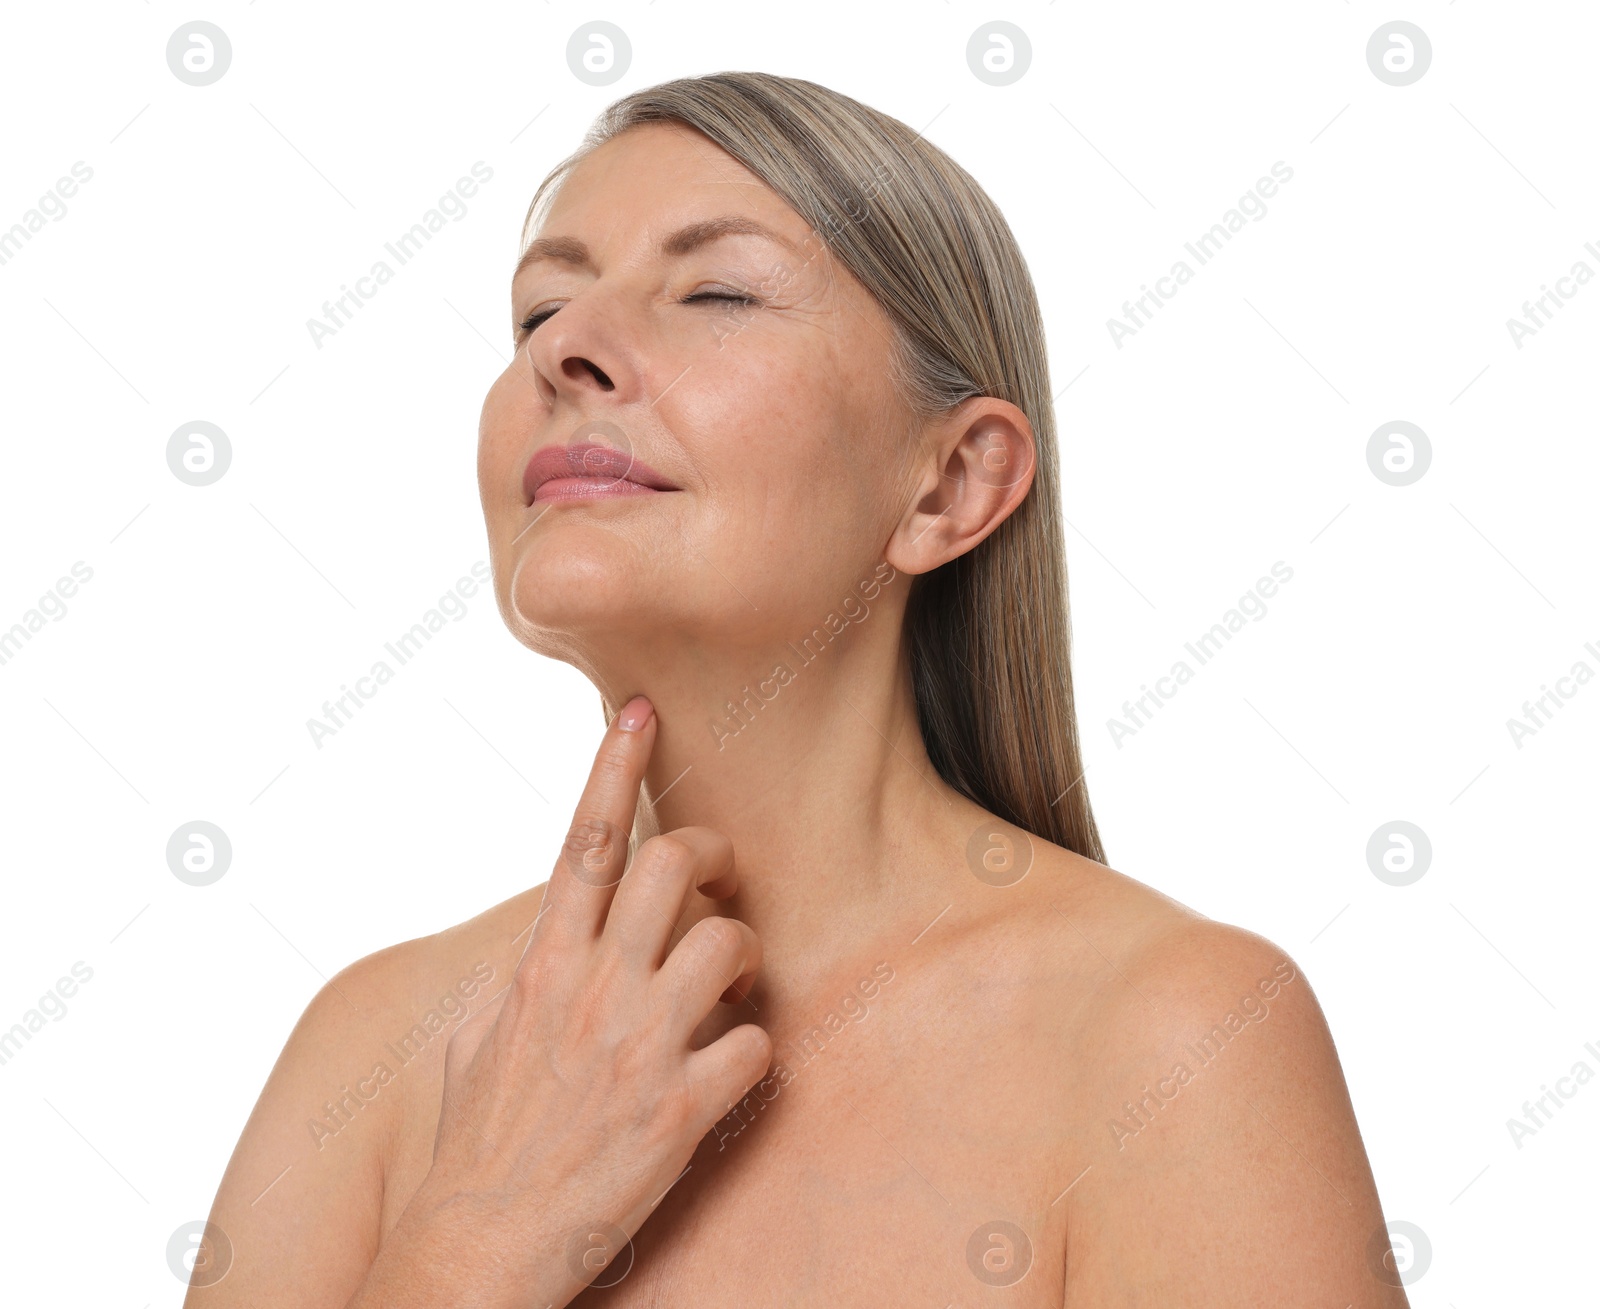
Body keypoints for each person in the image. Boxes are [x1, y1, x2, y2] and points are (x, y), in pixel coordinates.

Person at [188, 72, 1406, 1307]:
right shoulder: (371, 1048)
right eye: (539, 309)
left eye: (715, 291)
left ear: (951, 486)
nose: (564, 348)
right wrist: (476, 1239)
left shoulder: (1174, 1041)